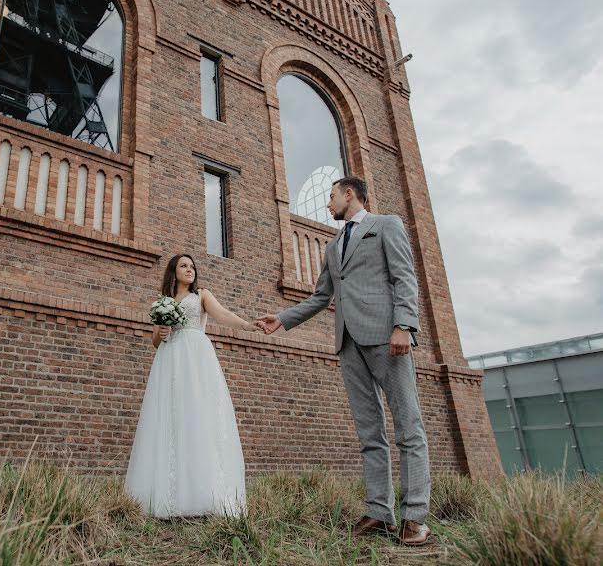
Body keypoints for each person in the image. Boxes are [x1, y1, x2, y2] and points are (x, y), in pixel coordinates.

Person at [256, 177, 432, 546]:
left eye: (331, 197)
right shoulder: (334, 245)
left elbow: (404, 277)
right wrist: (284, 319)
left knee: (408, 427)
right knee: (369, 432)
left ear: (349, 194)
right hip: (348, 342)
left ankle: (414, 515)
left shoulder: (386, 225)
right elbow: (322, 295)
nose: (328, 205)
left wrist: (404, 325)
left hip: (387, 336)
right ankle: (379, 512)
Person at [125, 254, 257, 518]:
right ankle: (168, 495)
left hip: (196, 358)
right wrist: (160, 333)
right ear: (173, 272)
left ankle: (206, 494)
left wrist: (246, 324)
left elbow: (223, 314)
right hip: (170, 360)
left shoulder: (202, 296)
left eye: (192, 266)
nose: (190, 270)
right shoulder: (163, 304)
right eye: (184, 266)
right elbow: (154, 339)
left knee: (199, 416)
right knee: (170, 418)